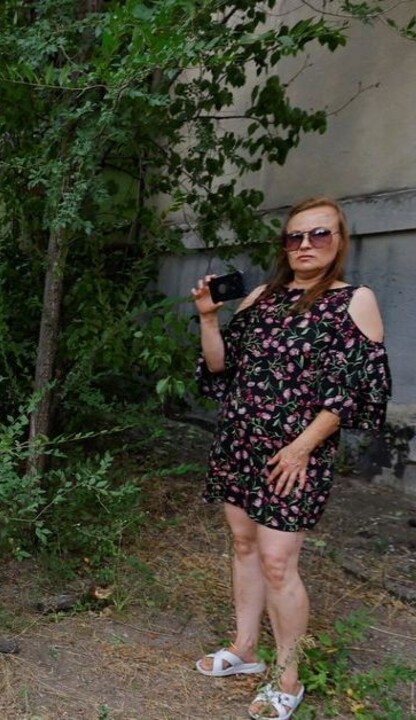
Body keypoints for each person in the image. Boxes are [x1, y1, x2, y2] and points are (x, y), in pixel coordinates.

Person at [192, 196, 390, 720]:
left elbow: (357, 390)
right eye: (295, 236)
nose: (304, 245)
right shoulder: (260, 297)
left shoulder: (355, 300)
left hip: (294, 456)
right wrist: (209, 319)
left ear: (339, 242)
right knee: (243, 544)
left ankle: (288, 678)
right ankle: (245, 650)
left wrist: (302, 447)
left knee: (279, 562)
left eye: (319, 235)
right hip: (239, 442)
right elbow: (220, 369)